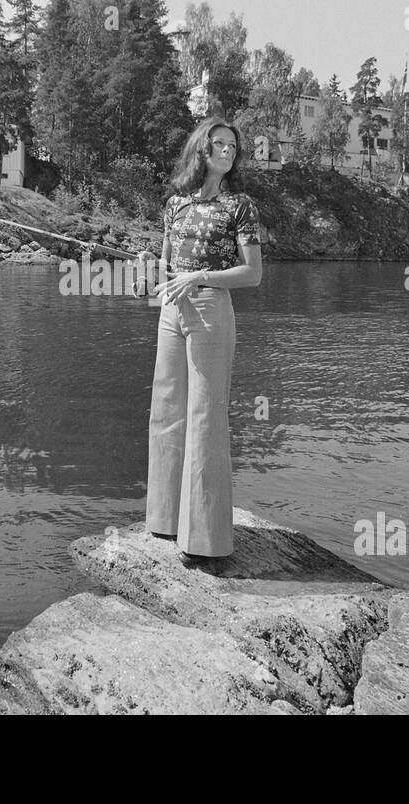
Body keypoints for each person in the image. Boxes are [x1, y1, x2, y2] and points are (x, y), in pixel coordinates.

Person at [140, 117, 263, 570]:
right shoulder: (175, 205)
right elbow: (168, 266)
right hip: (173, 310)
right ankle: (165, 519)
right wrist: (148, 273)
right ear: (201, 149)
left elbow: (253, 273)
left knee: (205, 417)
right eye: (220, 144)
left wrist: (202, 276)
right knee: (167, 409)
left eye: (233, 146)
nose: (228, 151)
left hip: (212, 308)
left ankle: (204, 539)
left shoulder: (240, 207)